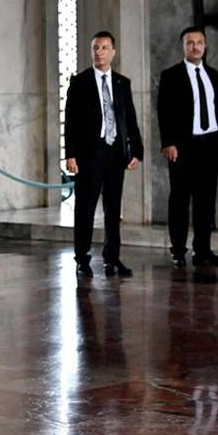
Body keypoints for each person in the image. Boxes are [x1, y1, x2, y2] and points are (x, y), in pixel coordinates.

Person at [64, 31, 143, 278]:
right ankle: (82, 258)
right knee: (85, 208)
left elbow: (130, 118)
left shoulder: (122, 83)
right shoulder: (80, 82)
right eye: (96, 48)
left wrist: (137, 150)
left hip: (115, 153)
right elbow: (71, 121)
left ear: (113, 52)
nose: (99, 52)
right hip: (90, 154)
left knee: (113, 208)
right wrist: (71, 155)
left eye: (104, 48)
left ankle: (112, 258)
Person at [158, 26, 218, 269]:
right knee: (179, 200)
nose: (195, 47)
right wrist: (168, 142)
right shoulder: (171, 75)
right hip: (182, 147)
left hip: (209, 146)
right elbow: (163, 111)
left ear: (205, 45)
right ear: (183, 46)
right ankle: (178, 250)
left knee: (206, 201)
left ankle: (203, 251)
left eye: (199, 42)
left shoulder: (213, 74)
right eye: (190, 43)